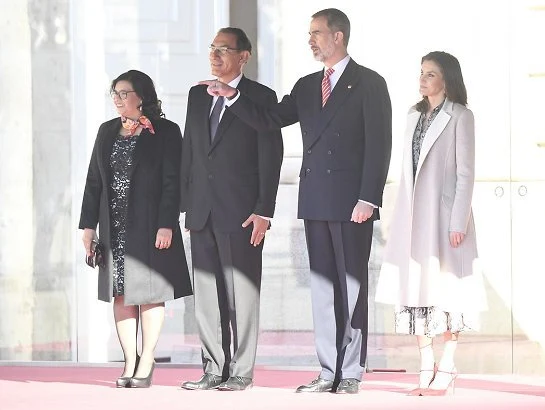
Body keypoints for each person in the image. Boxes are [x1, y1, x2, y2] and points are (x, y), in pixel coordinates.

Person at [199, 9, 392, 394]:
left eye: (317, 33)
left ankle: (350, 371)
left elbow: (379, 143)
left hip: (353, 203)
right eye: (309, 34)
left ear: (338, 37)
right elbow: (271, 119)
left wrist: (369, 197)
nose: (311, 40)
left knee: (351, 286)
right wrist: (234, 97)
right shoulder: (306, 86)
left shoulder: (369, 82)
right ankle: (327, 371)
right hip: (317, 198)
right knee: (321, 287)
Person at [179, 28, 283, 392]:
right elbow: (190, 152)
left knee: (242, 293)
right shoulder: (196, 94)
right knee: (206, 294)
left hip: (242, 212)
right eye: (212, 48)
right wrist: (186, 206)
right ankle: (213, 367)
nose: (215, 55)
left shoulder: (261, 97)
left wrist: (264, 210)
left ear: (244, 56)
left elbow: (271, 155)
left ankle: (241, 370)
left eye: (224, 49)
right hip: (202, 210)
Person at [379, 51, 486, 396]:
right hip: (412, 219)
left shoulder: (461, 116)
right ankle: (426, 364)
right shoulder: (413, 115)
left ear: (447, 79)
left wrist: (459, 220)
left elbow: (466, 173)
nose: (422, 79)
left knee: (448, 291)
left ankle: (449, 363)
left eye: (431, 73)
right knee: (415, 290)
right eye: (421, 72)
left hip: (444, 219)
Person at [79, 70, 192, 388]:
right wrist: (88, 227)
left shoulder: (166, 131)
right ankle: (129, 359)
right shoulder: (106, 131)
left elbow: (173, 182)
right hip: (113, 226)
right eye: (113, 93)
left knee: (150, 294)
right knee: (122, 294)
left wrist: (167, 224)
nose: (117, 99)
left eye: (124, 93)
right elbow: (93, 182)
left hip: (150, 225)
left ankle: (148, 358)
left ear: (141, 96)